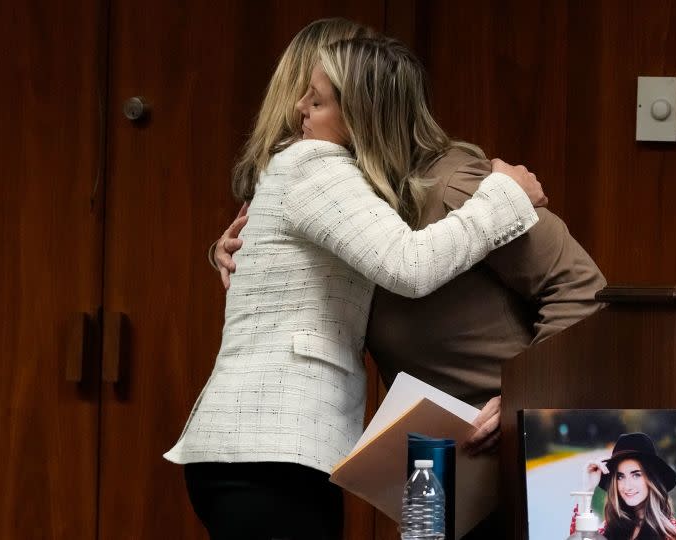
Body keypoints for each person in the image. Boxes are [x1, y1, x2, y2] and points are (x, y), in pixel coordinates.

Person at [165, 21, 546, 540]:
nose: (298, 107)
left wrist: (223, 250)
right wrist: (506, 195)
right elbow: (409, 266)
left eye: (317, 100)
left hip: (265, 459)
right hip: (271, 457)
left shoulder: (330, 174)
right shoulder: (315, 163)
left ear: (361, 112)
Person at [571, 433, 676, 540]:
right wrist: (588, 489)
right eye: (620, 477)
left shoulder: (670, 532)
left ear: (651, 479)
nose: (627, 486)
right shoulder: (607, 528)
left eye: (636, 475)